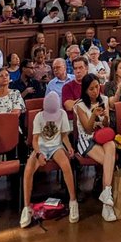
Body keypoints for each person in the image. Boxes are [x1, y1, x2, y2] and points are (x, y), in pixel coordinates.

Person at [20, 91, 78, 228]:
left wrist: (69, 147)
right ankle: (26, 207)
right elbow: (35, 140)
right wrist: (38, 154)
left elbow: (63, 135)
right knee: (28, 169)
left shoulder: (62, 114)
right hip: (41, 147)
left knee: (66, 165)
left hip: (56, 146)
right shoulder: (39, 117)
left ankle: (73, 201)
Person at [72, 74, 118, 221]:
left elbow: (106, 125)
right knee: (108, 162)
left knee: (111, 144)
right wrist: (93, 114)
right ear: (85, 90)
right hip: (87, 139)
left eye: (97, 87)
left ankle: (106, 197)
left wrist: (105, 117)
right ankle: (107, 202)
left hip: (102, 136)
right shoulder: (79, 105)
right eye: (91, 89)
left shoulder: (104, 99)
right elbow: (87, 129)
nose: (95, 91)